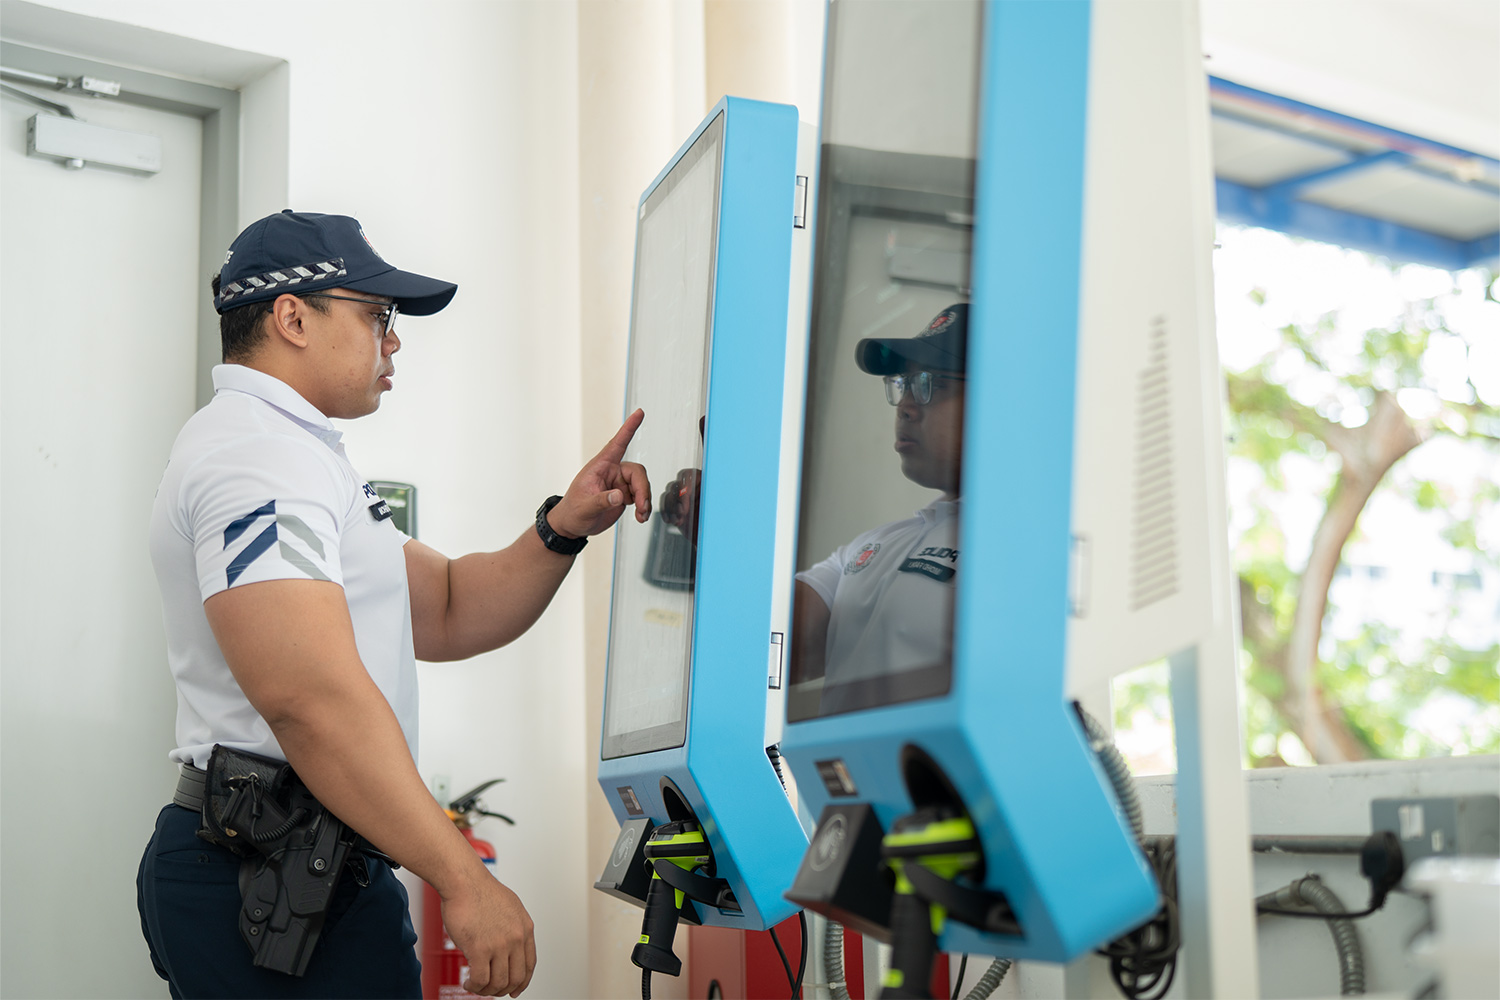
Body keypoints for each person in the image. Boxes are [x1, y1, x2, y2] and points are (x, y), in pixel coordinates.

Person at [138, 210, 652, 999]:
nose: (395, 339)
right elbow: (307, 698)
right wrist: (463, 878)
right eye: (377, 316)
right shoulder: (258, 457)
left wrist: (562, 527)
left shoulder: (303, 456)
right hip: (266, 869)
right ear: (292, 317)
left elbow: (444, 607)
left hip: (305, 861)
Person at [788, 304, 967, 715]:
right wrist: (722, 528)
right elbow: (779, 648)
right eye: (904, 383)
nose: (905, 405)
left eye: (933, 384)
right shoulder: (874, 546)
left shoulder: (1027, 548)